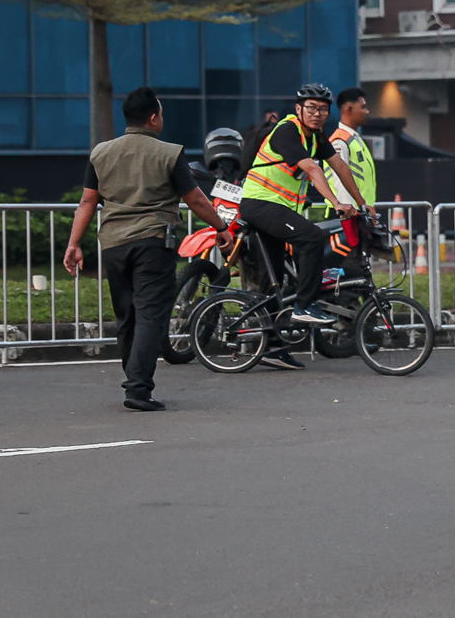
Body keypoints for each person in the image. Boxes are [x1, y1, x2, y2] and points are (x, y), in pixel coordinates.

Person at [65, 87, 228, 411]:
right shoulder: (168, 153)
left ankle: (134, 380)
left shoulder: (101, 153)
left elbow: (87, 201)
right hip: (153, 242)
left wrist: (74, 244)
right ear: (153, 118)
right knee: (151, 315)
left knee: (127, 315)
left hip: (113, 244)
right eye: (161, 113)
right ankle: (138, 389)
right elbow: (195, 199)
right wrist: (221, 227)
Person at [240, 83, 368, 332]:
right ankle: (305, 306)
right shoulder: (287, 131)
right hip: (260, 203)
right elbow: (312, 169)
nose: (317, 114)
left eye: (323, 109)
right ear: (298, 109)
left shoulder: (316, 137)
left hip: (276, 208)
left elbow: (340, 166)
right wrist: (336, 203)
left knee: (274, 276)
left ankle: (271, 340)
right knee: (312, 238)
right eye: (311, 108)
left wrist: (361, 204)